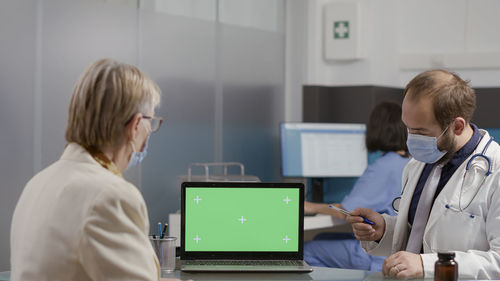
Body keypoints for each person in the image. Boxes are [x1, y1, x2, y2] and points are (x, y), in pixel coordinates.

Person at [10, 59, 163, 280]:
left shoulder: (37, 184)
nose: (150, 131)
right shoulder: (110, 196)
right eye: (152, 121)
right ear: (136, 125)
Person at [347, 69, 500, 279]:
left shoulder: (495, 171)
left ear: (456, 126)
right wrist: (383, 230)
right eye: (407, 128)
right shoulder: (419, 164)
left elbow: (497, 262)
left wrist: (427, 264)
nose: (410, 139)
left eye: (420, 131)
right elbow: (419, 235)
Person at [303, 101, 410, 271]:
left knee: (306, 251)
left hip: (381, 254)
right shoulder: (411, 163)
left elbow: (346, 211)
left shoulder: (383, 167)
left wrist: (308, 207)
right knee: (321, 237)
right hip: (401, 248)